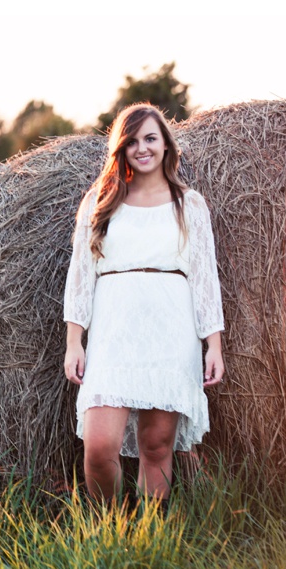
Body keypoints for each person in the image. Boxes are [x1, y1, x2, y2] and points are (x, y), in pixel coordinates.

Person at [62, 102, 225, 511]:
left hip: (171, 331)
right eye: (132, 141)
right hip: (115, 333)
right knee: (99, 448)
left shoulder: (189, 205)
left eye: (151, 138)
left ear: (166, 145)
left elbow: (205, 278)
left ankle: (150, 534)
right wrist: (74, 341)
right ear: (121, 148)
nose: (142, 148)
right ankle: (112, 524)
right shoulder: (101, 202)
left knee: (156, 446)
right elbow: (81, 275)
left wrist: (214, 345)